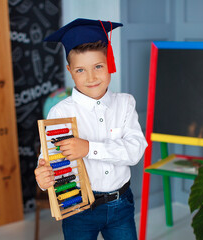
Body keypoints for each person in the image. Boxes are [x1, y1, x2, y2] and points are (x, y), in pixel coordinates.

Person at [34, 18, 148, 240]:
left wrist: (88, 148)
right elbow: (48, 159)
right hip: (78, 208)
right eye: (80, 70)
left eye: (98, 66)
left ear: (109, 63)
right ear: (70, 70)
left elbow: (134, 151)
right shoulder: (60, 113)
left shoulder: (125, 104)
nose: (91, 77)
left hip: (120, 204)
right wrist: (43, 176)